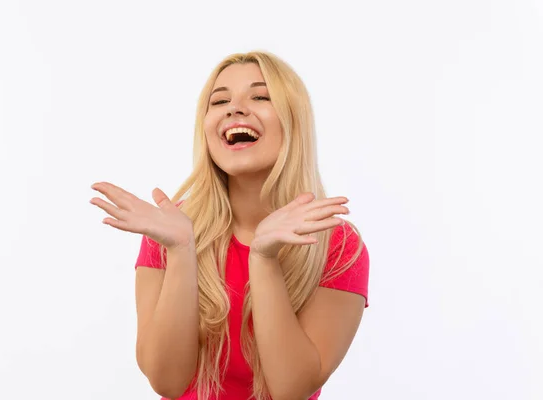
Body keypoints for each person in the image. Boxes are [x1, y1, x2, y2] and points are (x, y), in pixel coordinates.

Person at [90, 51, 370, 400]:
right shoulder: (171, 229)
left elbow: (291, 389)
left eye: (260, 96)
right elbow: (167, 382)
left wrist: (264, 259)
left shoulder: (338, 245)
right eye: (220, 100)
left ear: (293, 122)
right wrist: (180, 251)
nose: (234, 108)